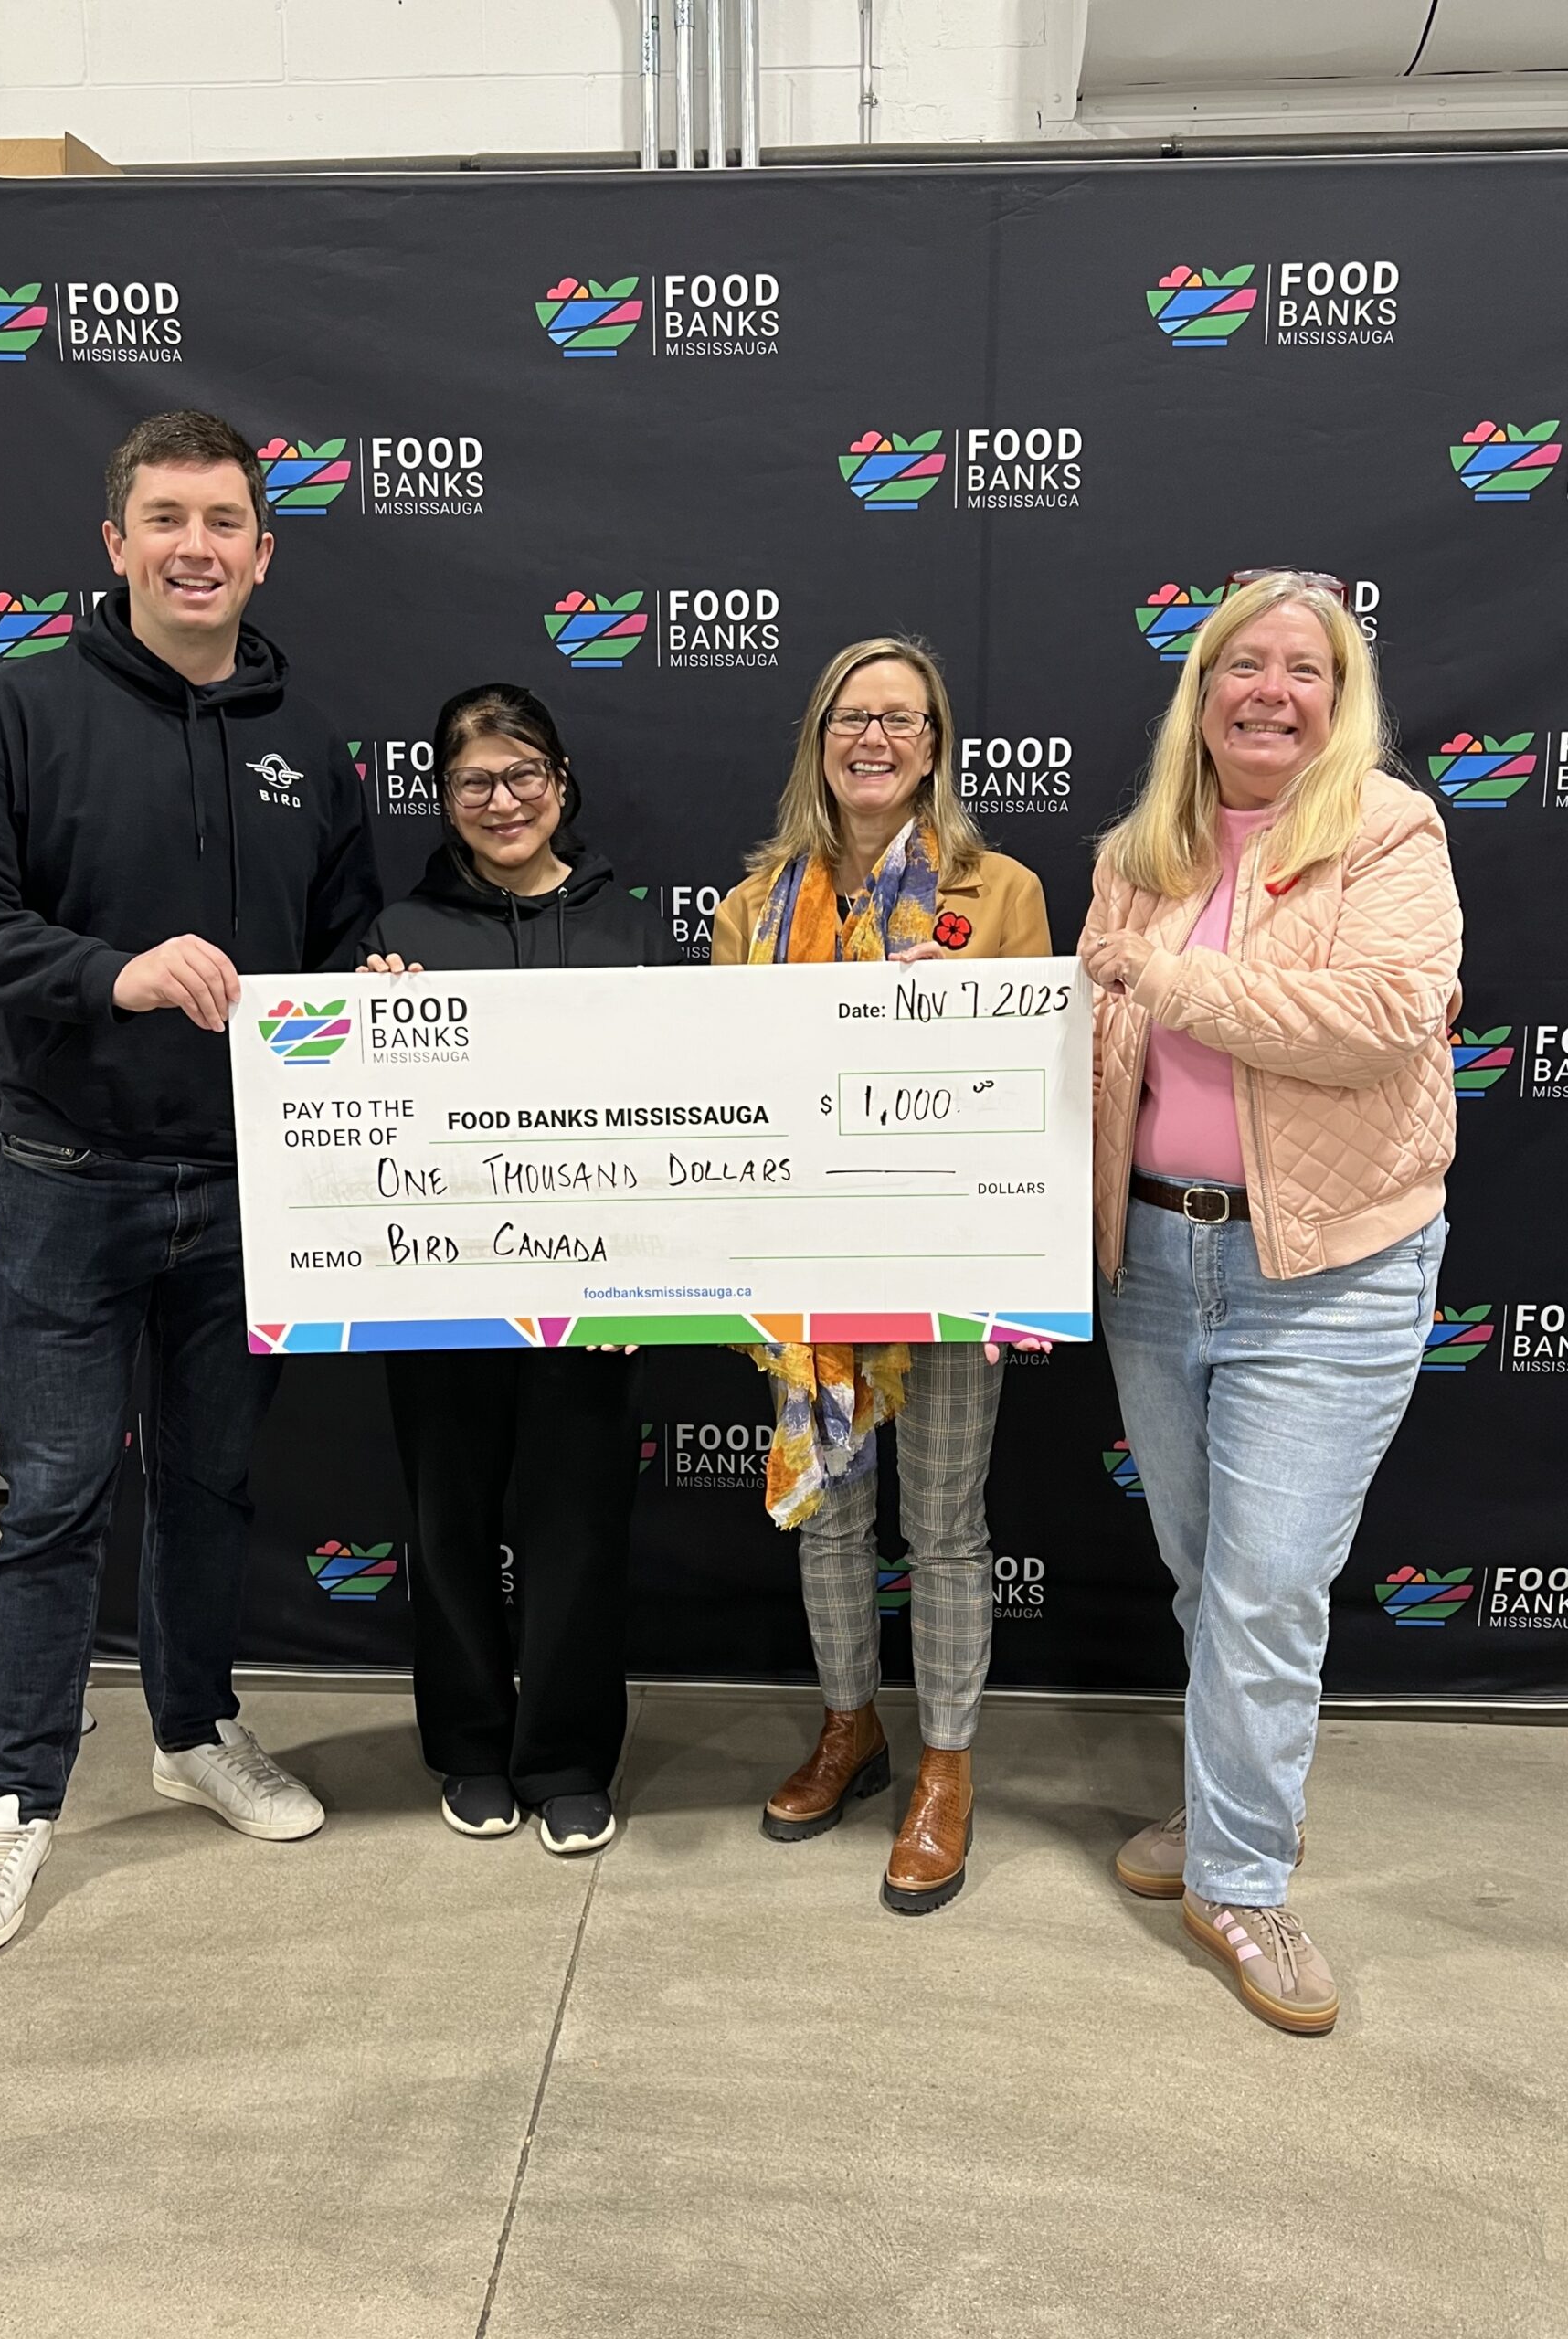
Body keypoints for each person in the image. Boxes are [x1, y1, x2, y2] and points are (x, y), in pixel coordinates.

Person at [0, 409, 381, 1959]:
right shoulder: (20, 712)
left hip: (247, 1189)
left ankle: (193, 1728)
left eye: (223, 521)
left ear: (263, 549)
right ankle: (16, 1796)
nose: (196, 547)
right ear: (116, 544)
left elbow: (337, 945)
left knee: (212, 1485)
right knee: (54, 1498)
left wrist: (369, 987)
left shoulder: (311, 741)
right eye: (166, 519)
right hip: (70, 1176)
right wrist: (110, 972)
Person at [1081, 569, 1461, 2035]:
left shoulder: (1387, 831)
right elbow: (1100, 1042)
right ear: (1203, 693)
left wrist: (1163, 978)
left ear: (1340, 697)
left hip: (1330, 1276)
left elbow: (1379, 1023)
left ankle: (1239, 1878)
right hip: (1159, 1263)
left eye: (1306, 668)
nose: (1272, 692)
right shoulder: (1142, 852)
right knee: (1207, 1573)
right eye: (1244, 664)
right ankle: (1225, 1794)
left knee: (1265, 1585)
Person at [712, 637, 1051, 1915]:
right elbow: (725, 1089)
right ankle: (850, 1728)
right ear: (820, 738)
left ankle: (946, 1767)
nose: (874, 739)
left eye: (901, 720)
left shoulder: (1000, 892)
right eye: (852, 717)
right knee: (833, 1512)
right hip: (808, 1255)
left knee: (946, 1526)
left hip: (947, 1255)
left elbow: (1046, 1072)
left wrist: (976, 1009)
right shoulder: (754, 906)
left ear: (934, 746)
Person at [359, 683, 669, 1856]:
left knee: (578, 1522)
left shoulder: (629, 927)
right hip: (439, 1282)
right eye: (475, 781)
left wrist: (644, 1275)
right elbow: (355, 1114)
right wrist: (367, 1029)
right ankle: (472, 1745)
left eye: (524, 774)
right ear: (442, 796)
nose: (503, 801)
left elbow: (671, 1113)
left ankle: (569, 1755)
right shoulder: (397, 931)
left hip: (594, 1288)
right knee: (447, 1518)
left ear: (562, 782)